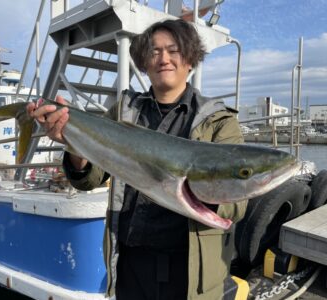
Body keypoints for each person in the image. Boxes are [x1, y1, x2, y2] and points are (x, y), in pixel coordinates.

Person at [28, 19, 247, 300]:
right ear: (144, 62)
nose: (163, 59)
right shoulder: (124, 112)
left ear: (191, 59)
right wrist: (73, 140)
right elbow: (90, 178)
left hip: (189, 270)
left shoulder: (219, 122)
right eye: (154, 52)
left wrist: (205, 187)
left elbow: (238, 204)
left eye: (173, 50)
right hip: (131, 263)